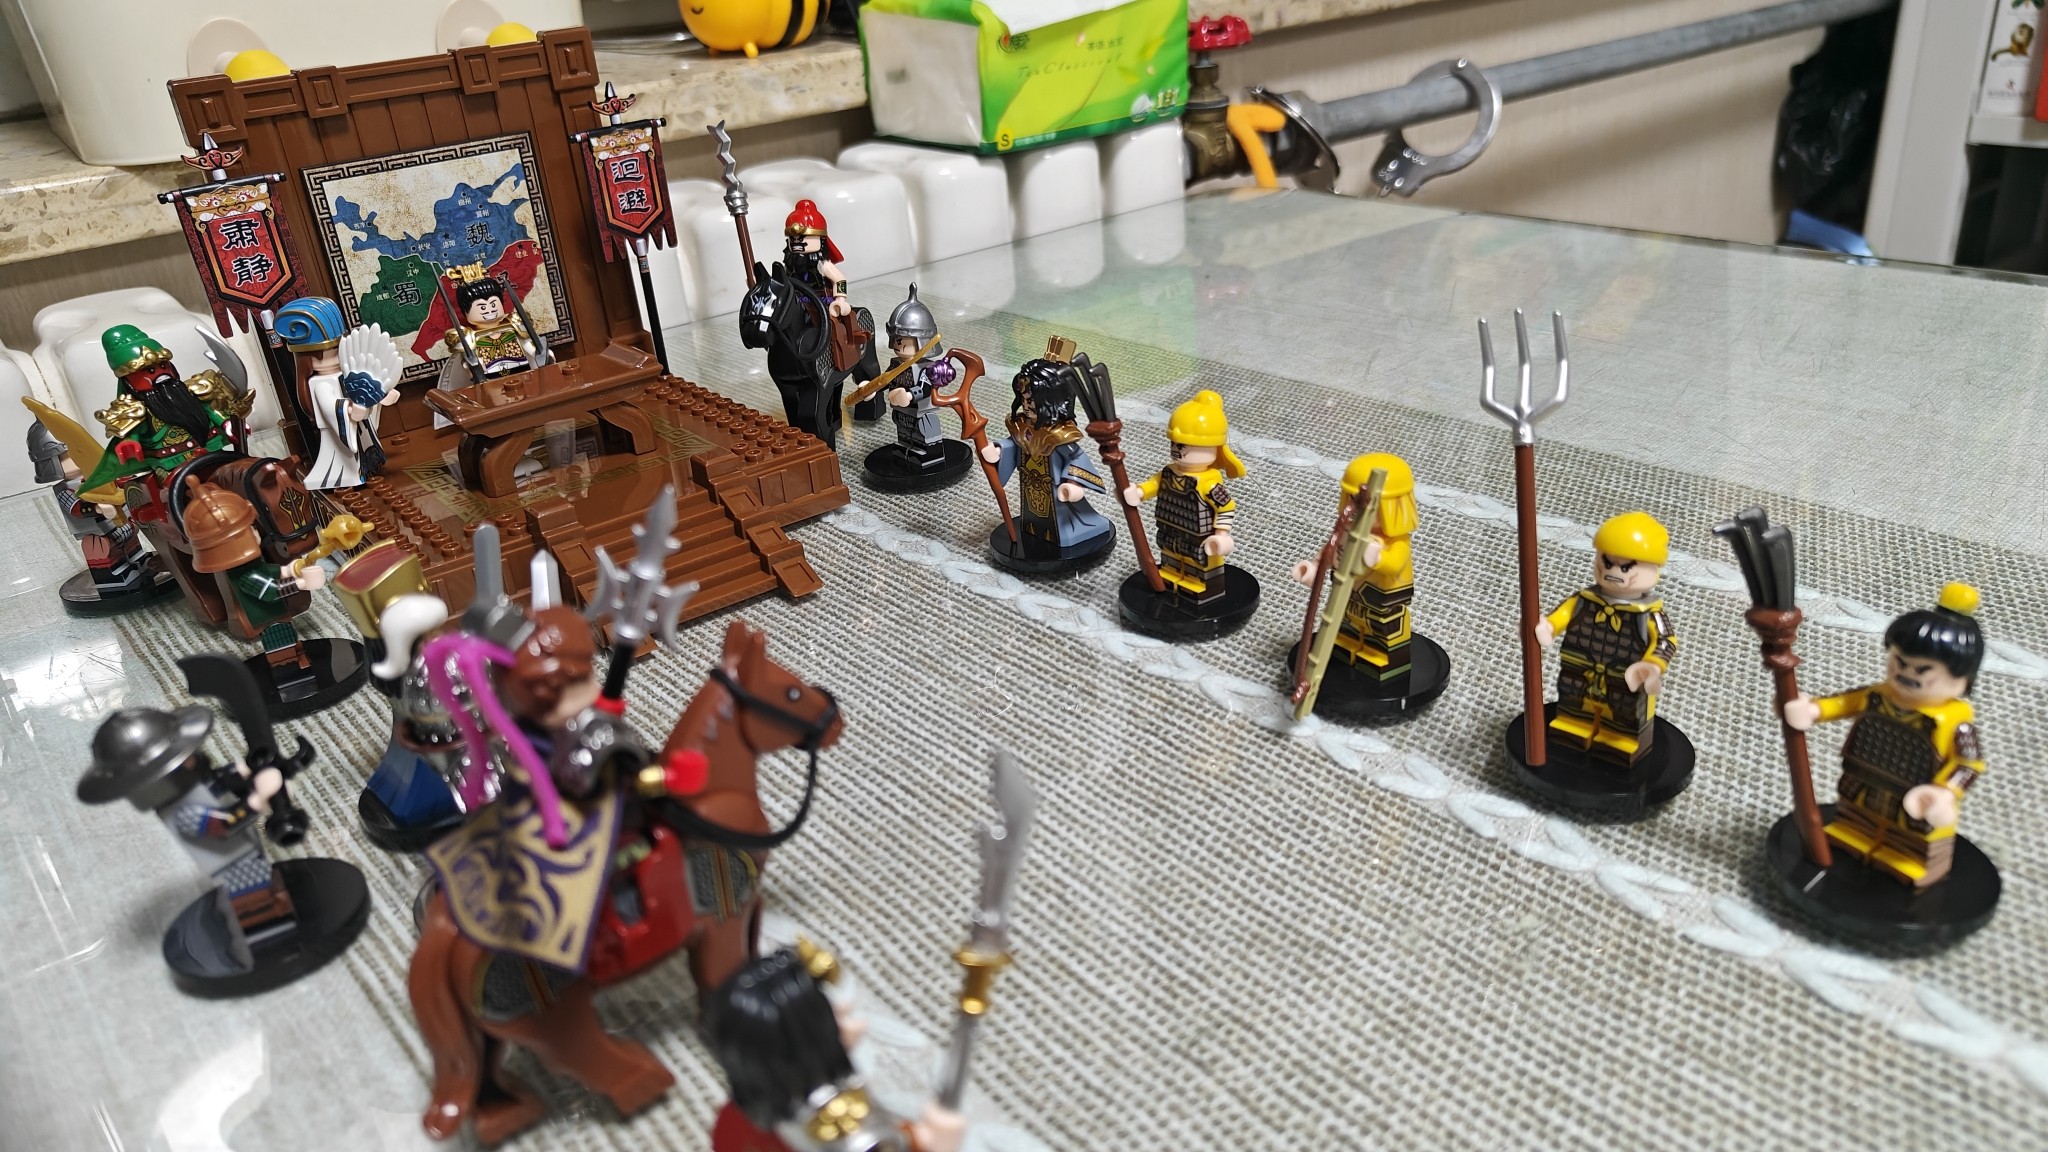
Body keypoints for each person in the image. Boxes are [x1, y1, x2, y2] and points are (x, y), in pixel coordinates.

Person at [1782, 584, 1987, 888]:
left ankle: (1908, 859)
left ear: (1962, 679)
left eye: (1923, 669)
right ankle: (1854, 834)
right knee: (1857, 812)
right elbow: (1844, 703)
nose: (1907, 673)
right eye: (1899, 662)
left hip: (1917, 791)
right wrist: (1813, 710)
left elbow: (1969, 763)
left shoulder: (1956, 723)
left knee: (1912, 833)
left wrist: (1946, 793)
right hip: (1865, 772)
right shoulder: (1878, 696)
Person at [706, 946, 967, 1152]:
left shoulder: (744, 1111)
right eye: (831, 1015)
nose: (843, 1009)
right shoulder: (847, 1133)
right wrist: (933, 1144)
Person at [1532, 512, 1677, 766]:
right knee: (1573, 701)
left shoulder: (1649, 614)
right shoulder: (1583, 600)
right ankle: (1572, 727)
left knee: (1625, 713)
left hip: (1625, 678)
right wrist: (1546, 627)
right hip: (1579, 669)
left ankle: (1620, 742)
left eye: (1626, 567)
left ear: (1654, 570)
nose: (1614, 572)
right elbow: (1559, 617)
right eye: (1607, 563)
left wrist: (1652, 665)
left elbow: (1665, 641)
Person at [78, 324, 248, 497]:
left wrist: (226, 423)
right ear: (129, 381)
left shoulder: (192, 392)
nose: (161, 374)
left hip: (210, 449)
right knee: (180, 494)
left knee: (239, 473)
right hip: (170, 464)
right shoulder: (137, 411)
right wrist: (130, 442)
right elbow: (134, 431)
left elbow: (210, 410)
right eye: (151, 371)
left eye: (164, 366)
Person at [1292, 453, 1419, 678]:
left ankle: (1382, 657)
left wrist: (1376, 558)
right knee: (1347, 619)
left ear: (1392, 507)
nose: (1357, 508)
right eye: (1353, 500)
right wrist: (1314, 568)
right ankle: (1345, 645)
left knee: (1383, 627)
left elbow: (1394, 564)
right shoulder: (1347, 530)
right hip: (1348, 589)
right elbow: (1330, 550)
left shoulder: (1397, 541)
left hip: (1381, 596)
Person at [982, 350, 1112, 560]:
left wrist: (1073, 483)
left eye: (1031, 400)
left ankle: (1070, 535)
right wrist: (999, 450)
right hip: (1031, 486)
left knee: (1061, 522)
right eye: (1024, 399)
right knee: (1033, 521)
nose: (1026, 405)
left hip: (1056, 490)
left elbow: (1076, 457)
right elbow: (1016, 445)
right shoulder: (1022, 427)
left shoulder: (1059, 434)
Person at [1123, 390, 1243, 604]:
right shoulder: (1169, 472)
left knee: (1199, 563)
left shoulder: (1208, 482)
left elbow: (1226, 506)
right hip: (1169, 528)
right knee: (1170, 555)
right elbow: (1153, 485)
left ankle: (1200, 588)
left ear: (1214, 448)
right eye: (1175, 444)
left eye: (1184, 445)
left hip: (1200, 537)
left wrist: (1222, 534)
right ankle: (1171, 578)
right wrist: (1138, 492)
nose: (1177, 450)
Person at [276, 296, 402, 488]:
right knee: (346, 459)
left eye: (338, 349)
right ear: (307, 360)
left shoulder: (346, 374)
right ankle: (349, 476)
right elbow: (331, 408)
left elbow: (363, 392)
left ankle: (369, 467)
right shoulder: (320, 384)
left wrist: (380, 397)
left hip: (358, 427)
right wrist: (350, 410)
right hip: (337, 434)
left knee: (365, 447)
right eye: (329, 352)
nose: (337, 355)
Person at [29, 420, 154, 597]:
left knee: (131, 540)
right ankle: (114, 576)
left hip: (121, 522)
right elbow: (75, 508)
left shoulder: (97, 474)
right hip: (98, 531)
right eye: (69, 454)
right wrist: (97, 507)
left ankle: (139, 560)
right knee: (103, 549)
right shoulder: (65, 489)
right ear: (52, 463)